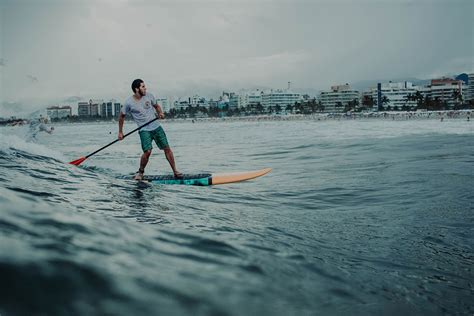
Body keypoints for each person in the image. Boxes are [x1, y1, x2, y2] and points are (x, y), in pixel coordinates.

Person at [118, 79, 182, 180]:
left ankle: (175, 171)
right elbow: (122, 116)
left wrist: (160, 113)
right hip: (144, 130)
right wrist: (120, 132)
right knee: (147, 151)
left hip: (156, 127)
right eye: (143, 87)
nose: (145, 88)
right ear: (136, 89)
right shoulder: (129, 103)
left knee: (167, 148)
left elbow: (157, 106)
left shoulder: (149, 96)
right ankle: (140, 172)